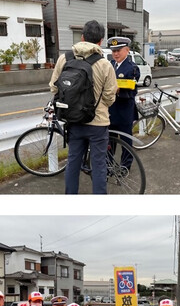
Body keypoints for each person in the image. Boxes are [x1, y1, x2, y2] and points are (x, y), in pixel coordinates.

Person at [49, 20, 117, 194]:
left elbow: (54, 87)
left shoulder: (65, 58)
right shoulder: (105, 64)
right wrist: (101, 106)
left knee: (73, 162)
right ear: (100, 41)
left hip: (73, 121)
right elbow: (110, 96)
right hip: (98, 123)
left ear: (82, 37)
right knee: (99, 165)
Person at [107, 36, 140, 169]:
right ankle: (109, 164)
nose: (115, 54)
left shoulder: (132, 68)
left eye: (119, 50)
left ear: (127, 50)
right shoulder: (111, 65)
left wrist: (118, 90)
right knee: (110, 139)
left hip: (124, 111)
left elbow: (132, 92)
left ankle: (125, 166)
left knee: (126, 140)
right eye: (113, 51)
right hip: (111, 110)